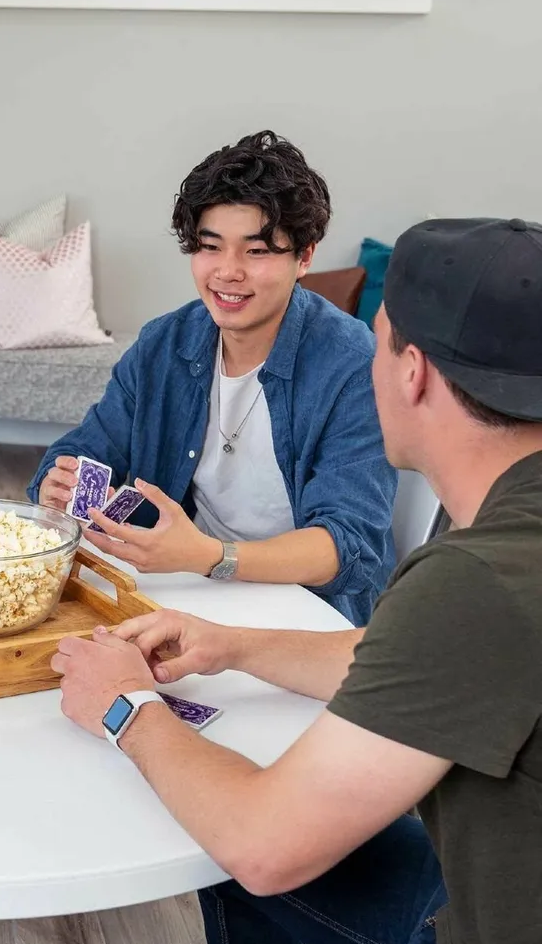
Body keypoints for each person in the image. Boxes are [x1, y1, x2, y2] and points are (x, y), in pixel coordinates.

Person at [39, 217, 542, 944]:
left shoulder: (479, 576)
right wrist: (230, 644)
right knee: (236, 840)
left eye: (379, 340)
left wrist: (124, 707)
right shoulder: (509, 529)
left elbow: (267, 847)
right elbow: (415, 660)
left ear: (412, 372)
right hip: (490, 917)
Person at [28, 131, 396, 625]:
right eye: (210, 246)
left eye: (256, 251)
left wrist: (210, 556)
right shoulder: (164, 343)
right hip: (181, 589)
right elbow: (88, 449)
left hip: (303, 609)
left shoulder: (352, 366)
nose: (227, 272)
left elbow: (348, 545)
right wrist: (58, 484)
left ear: (304, 257)